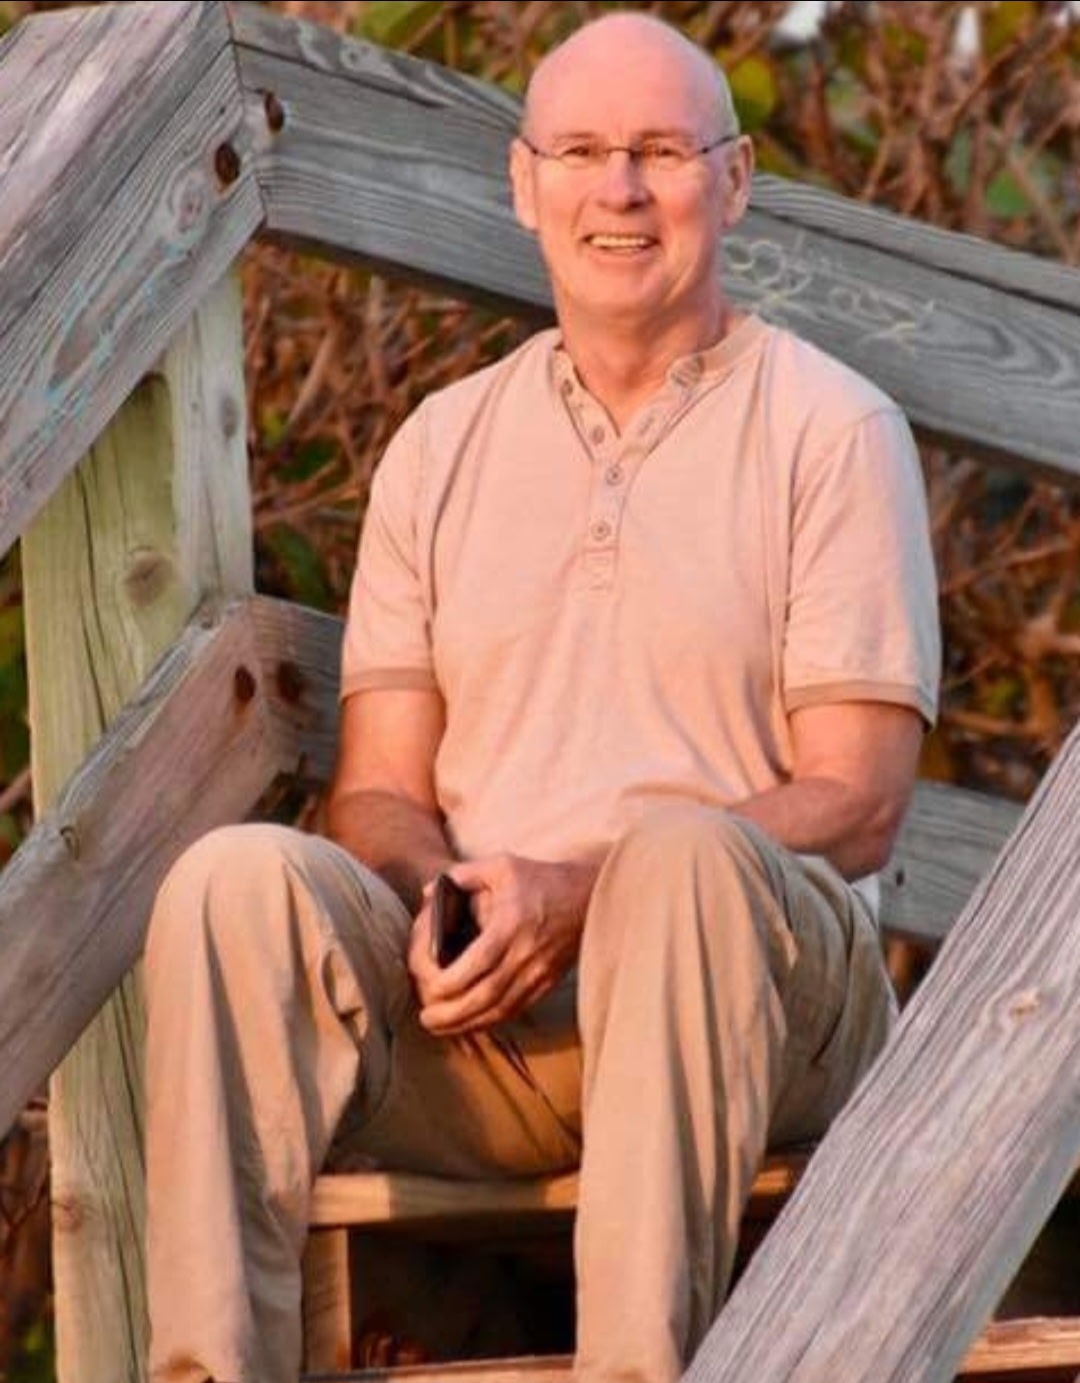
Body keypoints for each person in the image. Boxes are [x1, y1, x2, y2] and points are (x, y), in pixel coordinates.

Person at [143, 12, 940, 1383]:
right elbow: (377, 791)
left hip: (754, 1012)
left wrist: (584, 893)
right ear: (524, 185)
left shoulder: (832, 430)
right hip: (485, 1037)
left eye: (660, 152)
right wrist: (456, 904)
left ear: (734, 181)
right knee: (233, 885)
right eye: (579, 152)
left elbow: (859, 800)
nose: (619, 190)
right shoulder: (439, 447)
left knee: (682, 860)